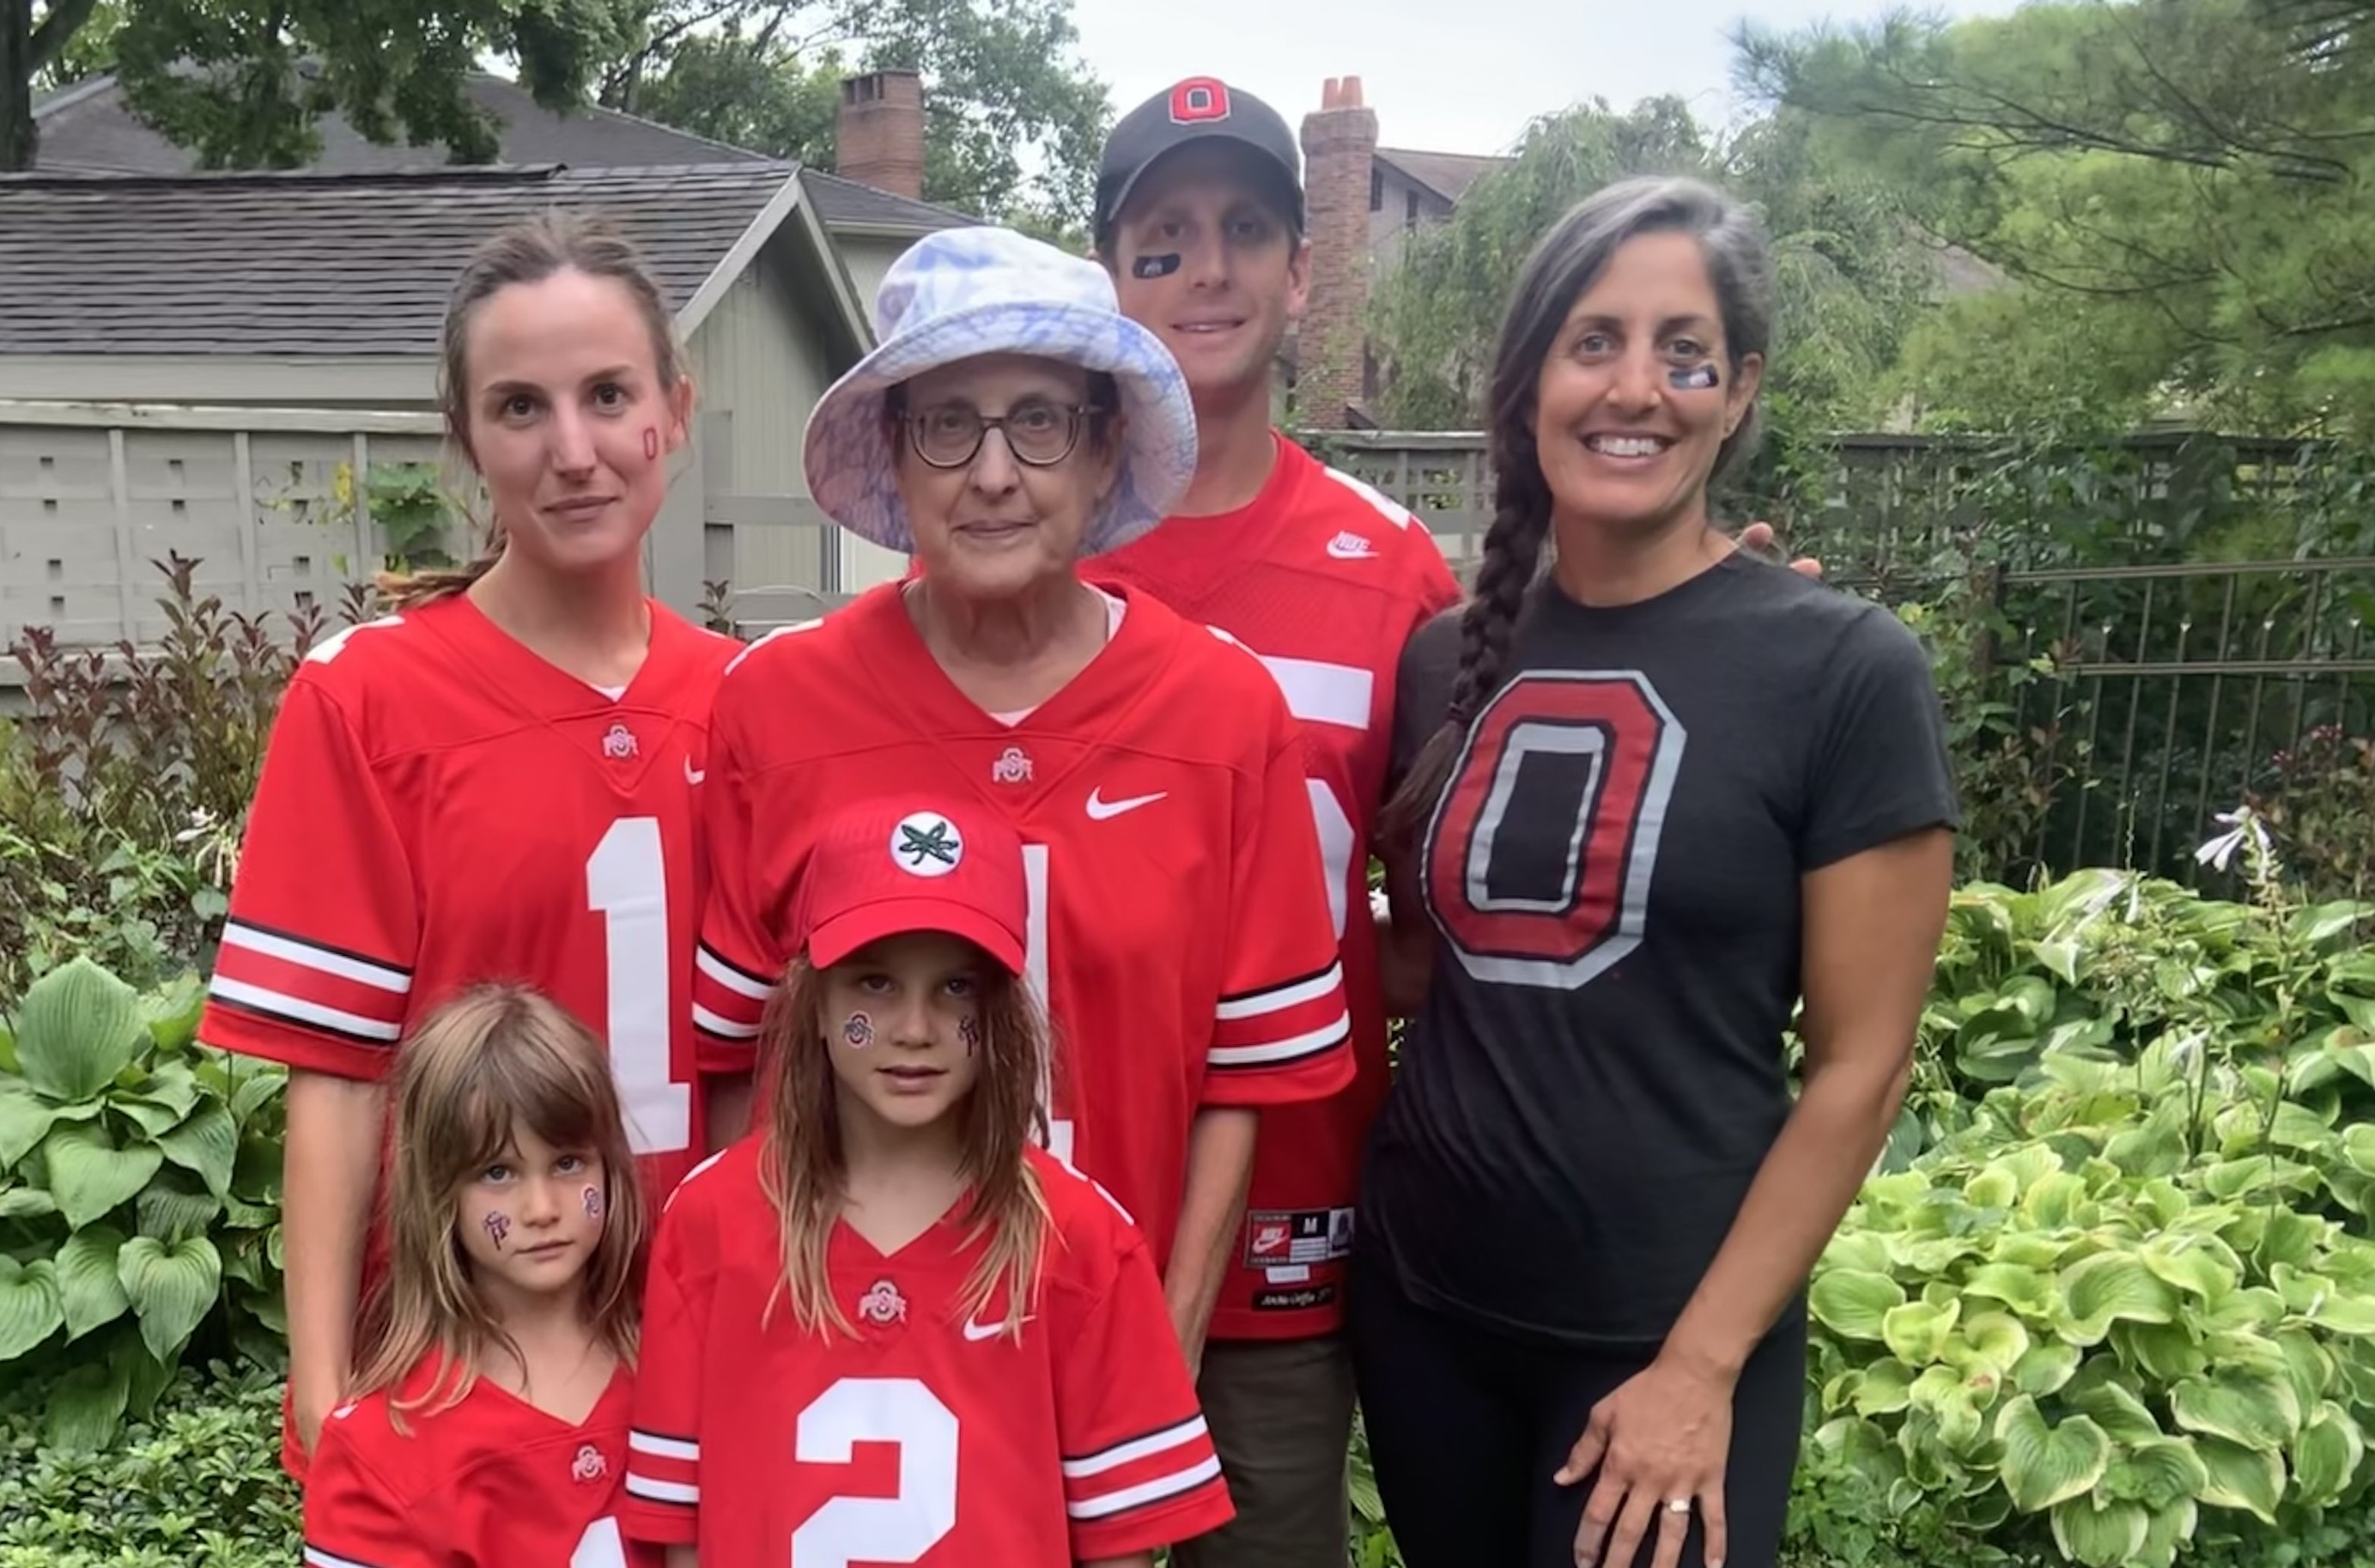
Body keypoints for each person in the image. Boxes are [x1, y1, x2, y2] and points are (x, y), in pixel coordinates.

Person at [1083, 78, 1827, 1565]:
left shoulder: (1394, 584)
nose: (1206, 271)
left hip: (1294, 1215)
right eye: (1161, 241)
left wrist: (1722, 624)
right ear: (1108, 279)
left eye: (1243, 231)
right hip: (1053, 1179)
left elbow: (1444, 923)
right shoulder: (1034, 547)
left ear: (1304, 276)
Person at [1354, 175, 1957, 1568]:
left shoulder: (1843, 669)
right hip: (1428, 1311)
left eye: (1682, 352)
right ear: (1527, 383)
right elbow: (1438, 974)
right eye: (1594, 342)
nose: (1637, 388)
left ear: (1738, 389)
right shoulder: (1445, 661)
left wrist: (1701, 1365)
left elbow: (1861, 1069)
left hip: (1659, 1342)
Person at [688, 224, 1353, 1380]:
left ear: (1102, 453)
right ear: (895, 457)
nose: (992, 472)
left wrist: (1167, 1337)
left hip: (1128, 1329)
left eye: (1037, 420)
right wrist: (774, 1327)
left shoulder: (1226, 712)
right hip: (863, 1353)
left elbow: (1243, 1078)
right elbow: (748, 1070)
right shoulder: (775, 707)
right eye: (948, 423)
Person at [198, 209, 737, 1472]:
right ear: (465, 439)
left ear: (676, 409)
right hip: (462, 1364)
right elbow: (333, 1074)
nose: (573, 450)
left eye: (608, 395)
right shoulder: (369, 700)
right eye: (518, 407)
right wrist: (325, 1391)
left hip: (703, 1342)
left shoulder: (755, 701)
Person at [623, 796, 1236, 1565]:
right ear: (815, 1004)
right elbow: (681, 1531)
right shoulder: (711, 1220)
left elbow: (1120, 1548)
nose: (915, 1028)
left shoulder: (1079, 1236)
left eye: (955, 988)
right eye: (874, 984)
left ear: (1004, 1010)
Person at [301, 983, 653, 1568]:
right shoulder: (380, 1448)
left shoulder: (682, 1377)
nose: (541, 1207)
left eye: (568, 1163)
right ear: (441, 1195)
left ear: (610, 1165)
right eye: (497, 1173)